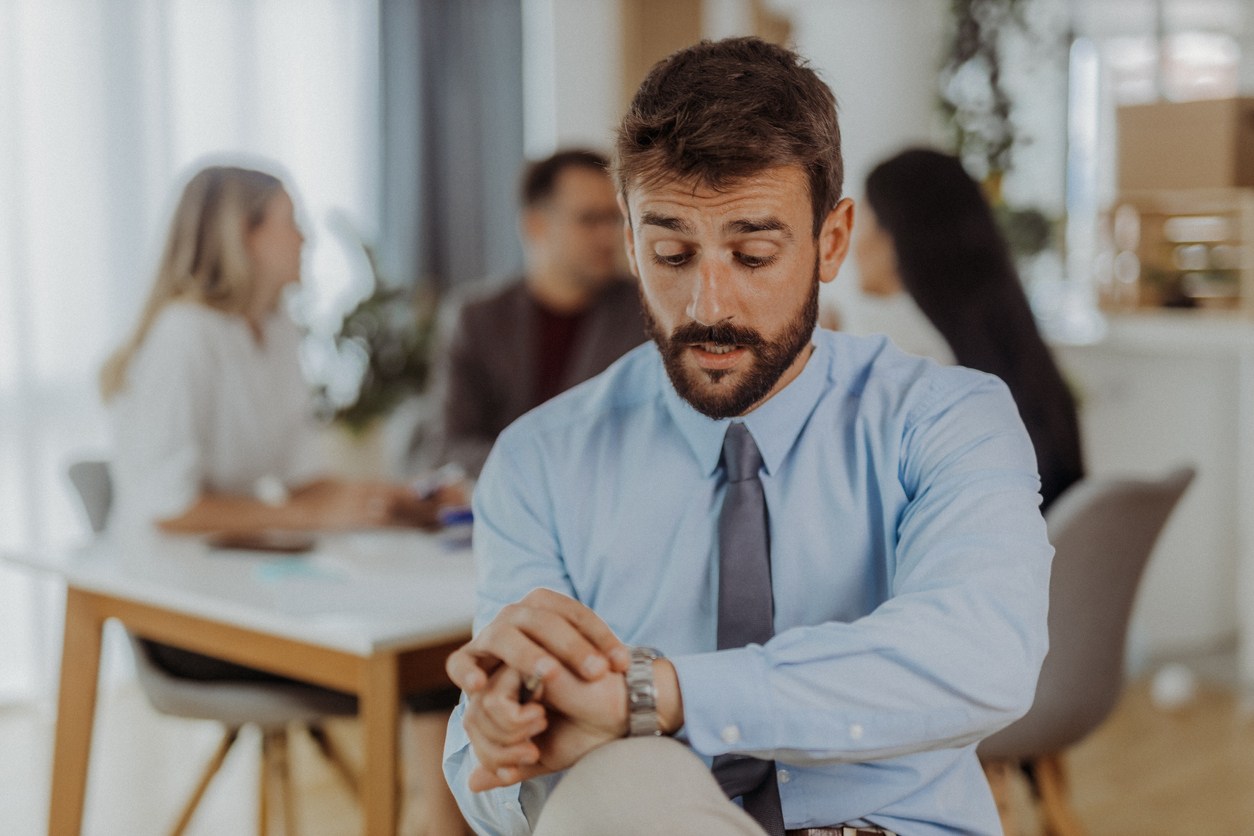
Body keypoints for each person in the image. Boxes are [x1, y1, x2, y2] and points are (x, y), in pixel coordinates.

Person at [442, 37, 1053, 836]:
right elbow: (487, 759)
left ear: (830, 242)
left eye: (754, 254)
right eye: (671, 252)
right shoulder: (539, 459)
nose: (708, 304)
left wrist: (658, 695)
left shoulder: (948, 419)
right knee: (620, 785)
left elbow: (981, 652)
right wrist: (511, 734)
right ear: (630, 243)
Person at [101, 164, 469, 835]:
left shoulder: (273, 333)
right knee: (430, 671)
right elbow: (171, 509)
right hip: (183, 616)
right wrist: (304, 515)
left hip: (244, 588)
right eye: (290, 221)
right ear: (244, 234)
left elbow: (306, 479)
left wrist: (391, 499)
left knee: (444, 655)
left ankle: (443, 823)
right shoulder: (184, 336)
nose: (304, 239)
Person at [858, 147, 1084, 510]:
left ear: (898, 239)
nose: (854, 245)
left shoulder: (909, 364)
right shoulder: (1015, 356)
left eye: (863, 222)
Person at [425, 149, 644, 477]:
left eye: (614, 219)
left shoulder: (644, 311)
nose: (608, 236)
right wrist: (538, 472)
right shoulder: (477, 319)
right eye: (589, 219)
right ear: (535, 225)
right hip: (503, 502)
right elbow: (448, 445)